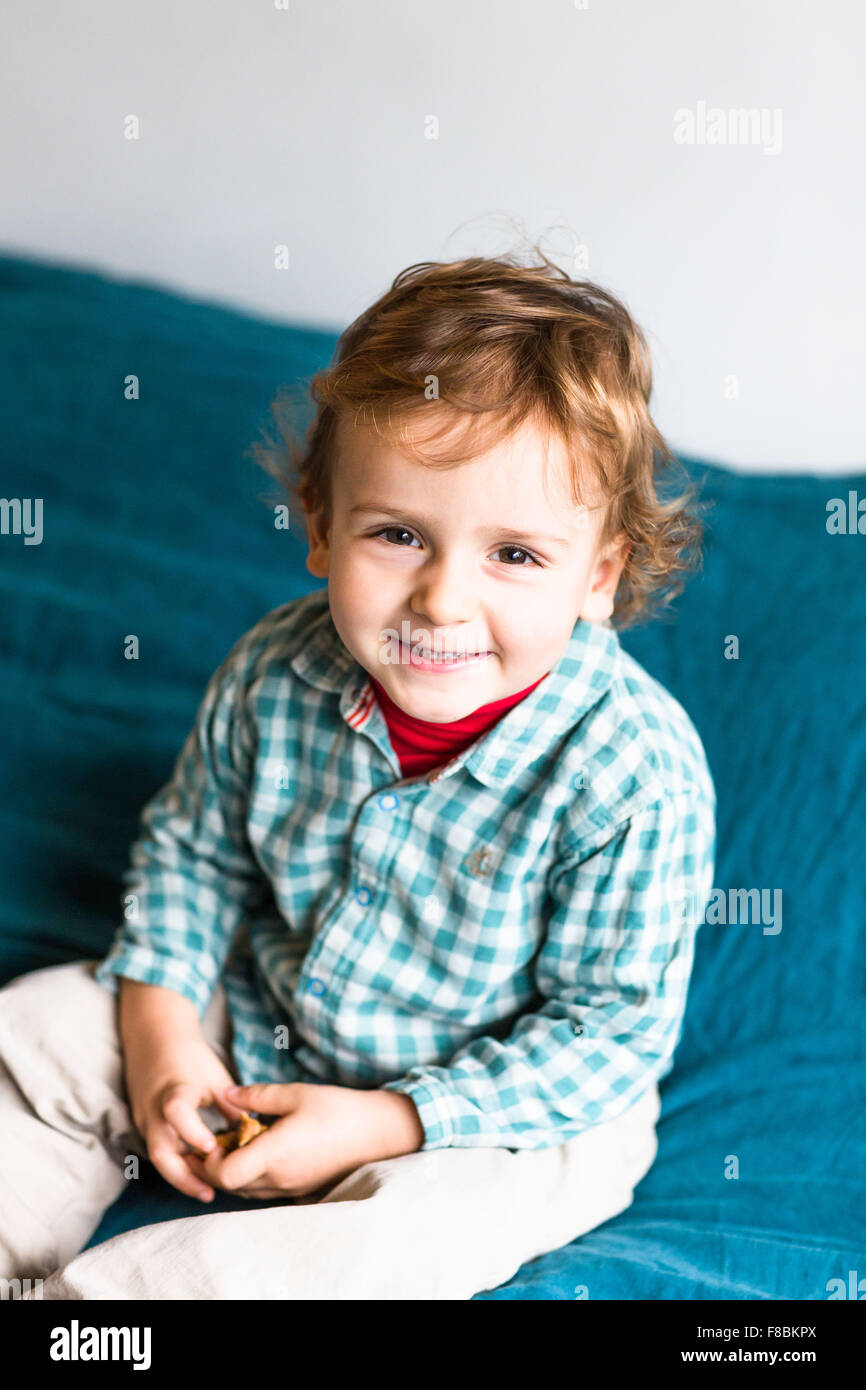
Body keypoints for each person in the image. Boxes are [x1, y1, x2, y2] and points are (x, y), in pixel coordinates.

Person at [0, 250, 716, 1299]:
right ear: (321, 529)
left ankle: (96, 1319)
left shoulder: (632, 773)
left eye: (512, 554)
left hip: (494, 1109)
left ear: (596, 576)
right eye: (396, 535)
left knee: (415, 1237)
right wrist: (160, 1032)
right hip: (261, 1014)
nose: (439, 600)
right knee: (35, 1035)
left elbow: (606, 1032)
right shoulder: (274, 670)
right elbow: (194, 853)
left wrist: (393, 1120)